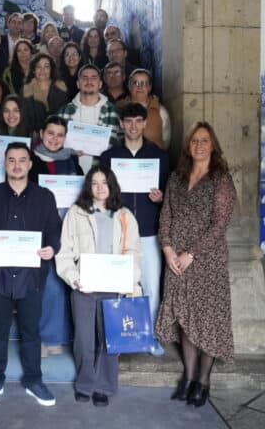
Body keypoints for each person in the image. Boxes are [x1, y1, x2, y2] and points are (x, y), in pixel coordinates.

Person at [0, 143, 62, 407]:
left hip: (31, 276)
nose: (16, 165)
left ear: (30, 164)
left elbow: (54, 232)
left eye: (22, 160)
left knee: (30, 332)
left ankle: (34, 380)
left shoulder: (45, 196)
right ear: (5, 163)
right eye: (11, 160)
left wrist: (52, 248)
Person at [156, 122, 236, 408]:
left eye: (204, 141)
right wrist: (167, 249)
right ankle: (189, 378)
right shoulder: (176, 178)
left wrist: (191, 253)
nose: (199, 145)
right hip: (176, 259)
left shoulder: (220, 179)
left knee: (209, 320)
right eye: (194, 141)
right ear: (188, 146)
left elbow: (220, 224)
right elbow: (165, 215)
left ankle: (204, 382)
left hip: (206, 260)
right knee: (186, 321)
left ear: (212, 145)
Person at [56, 165, 143, 407]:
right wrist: (74, 279)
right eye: (94, 183)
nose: (100, 188)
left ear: (111, 185)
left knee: (109, 339)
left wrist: (130, 277)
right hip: (84, 286)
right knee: (84, 339)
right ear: (88, 186)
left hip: (113, 286)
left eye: (104, 183)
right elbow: (64, 253)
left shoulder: (124, 215)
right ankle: (85, 384)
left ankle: (104, 386)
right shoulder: (76, 213)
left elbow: (134, 251)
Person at [100, 103, 169, 356]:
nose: (133, 126)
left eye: (138, 121)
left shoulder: (159, 156)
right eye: (128, 121)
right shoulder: (109, 157)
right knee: (118, 284)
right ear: (121, 124)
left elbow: (169, 196)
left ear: (144, 123)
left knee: (150, 285)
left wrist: (161, 197)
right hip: (119, 232)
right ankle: (119, 337)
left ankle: (149, 336)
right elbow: (101, 194)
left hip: (149, 231)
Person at [28, 116, 82, 358]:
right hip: (37, 228)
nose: (54, 139)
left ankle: (53, 336)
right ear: (42, 132)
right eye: (50, 133)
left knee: (58, 286)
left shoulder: (72, 160)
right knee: (41, 285)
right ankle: (38, 337)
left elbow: (82, 192)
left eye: (60, 135)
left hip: (66, 230)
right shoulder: (29, 159)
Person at [57, 64, 121, 174]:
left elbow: (119, 146)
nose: (89, 81)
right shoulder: (64, 111)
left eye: (94, 78)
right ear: (78, 84)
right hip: (70, 174)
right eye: (84, 78)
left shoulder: (113, 112)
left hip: (101, 176)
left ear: (100, 84)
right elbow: (55, 144)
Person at [118, 68, 171, 149]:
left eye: (144, 83)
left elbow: (166, 140)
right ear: (129, 86)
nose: (139, 86)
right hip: (124, 159)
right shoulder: (118, 108)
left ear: (149, 87)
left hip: (152, 159)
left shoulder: (160, 111)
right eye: (135, 83)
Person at [23, 52, 68, 132]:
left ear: (51, 69)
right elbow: (25, 119)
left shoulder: (61, 87)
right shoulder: (26, 90)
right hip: (34, 134)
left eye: (46, 66)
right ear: (33, 70)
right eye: (38, 66)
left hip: (58, 133)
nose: (42, 70)